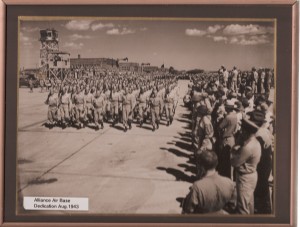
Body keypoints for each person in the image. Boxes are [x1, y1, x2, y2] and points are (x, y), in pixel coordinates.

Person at [231, 112, 263, 214]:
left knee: (242, 208)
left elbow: (234, 162)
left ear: (247, 131)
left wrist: (233, 149)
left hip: (245, 178)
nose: (241, 131)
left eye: (243, 129)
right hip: (251, 175)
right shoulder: (255, 142)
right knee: (249, 203)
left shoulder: (247, 147)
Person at [217, 99, 238, 179]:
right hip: (232, 138)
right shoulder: (234, 116)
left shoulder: (228, 117)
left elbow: (220, 127)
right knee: (230, 161)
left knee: (224, 160)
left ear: (228, 108)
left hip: (226, 138)